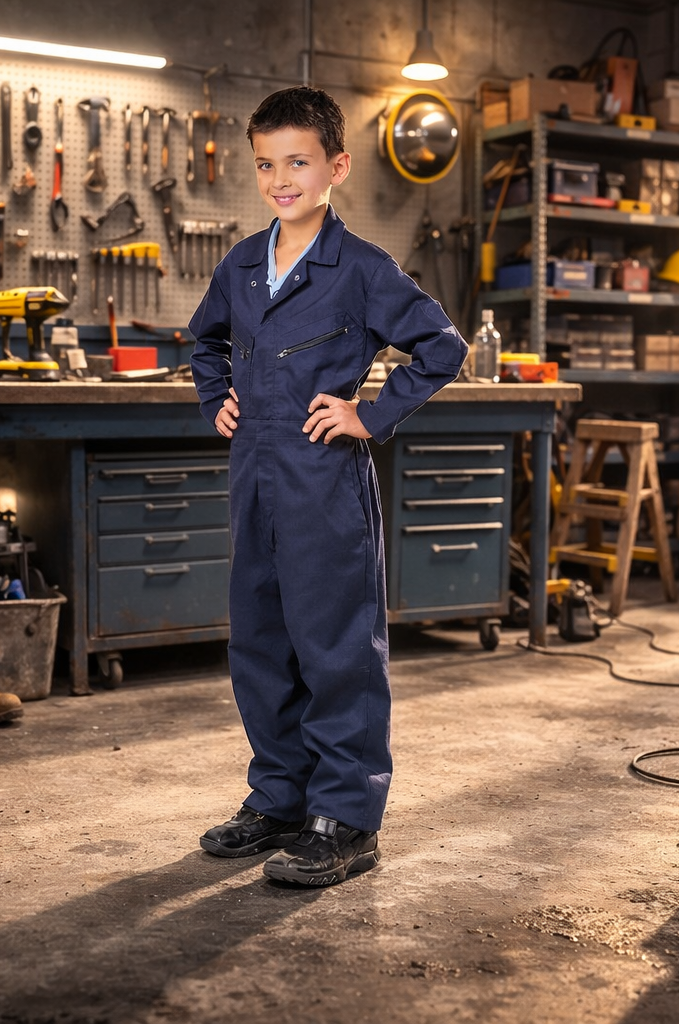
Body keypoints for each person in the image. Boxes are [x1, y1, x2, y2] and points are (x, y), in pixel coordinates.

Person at [188, 86, 468, 887]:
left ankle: (346, 817)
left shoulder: (363, 269)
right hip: (254, 475)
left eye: (298, 162)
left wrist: (368, 415)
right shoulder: (242, 265)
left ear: (337, 167)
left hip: (323, 479)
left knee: (337, 645)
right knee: (260, 641)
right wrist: (215, 398)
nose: (281, 180)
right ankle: (280, 798)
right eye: (265, 165)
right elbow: (205, 343)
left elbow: (441, 349)